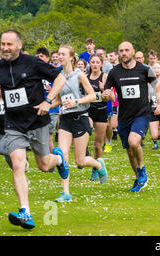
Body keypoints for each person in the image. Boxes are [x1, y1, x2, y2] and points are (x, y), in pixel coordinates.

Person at [0, 29, 69, 229]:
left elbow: (60, 79)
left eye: (9, 44)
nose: (5, 48)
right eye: (3, 44)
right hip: (13, 124)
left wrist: (47, 102)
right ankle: (26, 211)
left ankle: (58, 159)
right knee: (17, 164)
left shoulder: (32, 63)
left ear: (19, 45)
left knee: (44, 165)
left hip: (37, 121)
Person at [101, 41, 160, 192]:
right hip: (124, 116)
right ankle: (138, 178)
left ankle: (142, 169)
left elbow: (157, 86)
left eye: (126, 50)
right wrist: (105, 95)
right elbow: (107, 95)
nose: (123, 53)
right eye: (121, 50)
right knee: (129, 150)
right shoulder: (114, 72)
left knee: (133, 142)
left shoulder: (144, 69)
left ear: (133, 52)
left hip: (141, 113)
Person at [53, 45, 108, 202]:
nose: (59, 56)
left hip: (80, 118)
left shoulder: (79, 75)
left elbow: (92, 96)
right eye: (58, 54)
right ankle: (66, 193)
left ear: (71, 57)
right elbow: (59, 99)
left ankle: (98, 165)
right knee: (62, 157)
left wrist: (76, 101)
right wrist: (45, 106)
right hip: (65, 119)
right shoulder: (59, 77)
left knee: (80, 161)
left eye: (62, 54)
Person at [87, 54, 109, 181]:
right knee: (86, 131)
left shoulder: (104, 76)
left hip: (101, 111)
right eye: (92, 62)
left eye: (97, 62)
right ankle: (84, 153)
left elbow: (109, 96)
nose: (95, 64)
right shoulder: (85, 77)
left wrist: (102, 89)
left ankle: (96, 168)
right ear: (89, 64)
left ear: (101, 64)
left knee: (97, 144)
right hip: (89, 110)